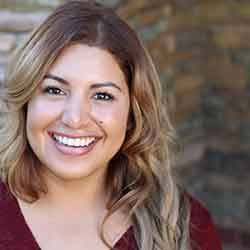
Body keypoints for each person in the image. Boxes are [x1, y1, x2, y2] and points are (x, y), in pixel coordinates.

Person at [0, 1, 222, 250]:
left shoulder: (185, 229)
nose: (75, 119)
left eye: (102, 95)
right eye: (54, 90)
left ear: (132, 114)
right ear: (26, 101)